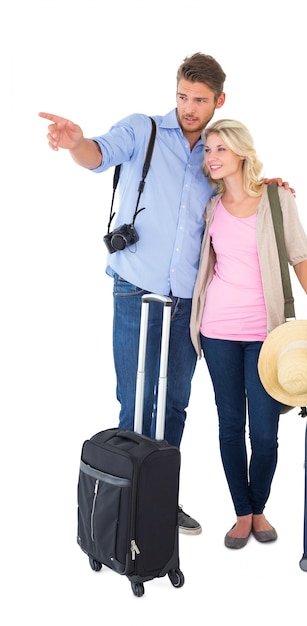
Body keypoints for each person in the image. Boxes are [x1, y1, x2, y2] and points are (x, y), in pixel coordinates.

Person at [39, 53, 291, 536]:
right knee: (135, 399)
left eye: (199, 100)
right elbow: (98, 153)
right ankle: (126, 497)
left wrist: (271, 188)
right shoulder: (143, 130)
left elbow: (243, 193)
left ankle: (160, 497)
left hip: (188, 304)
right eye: (182, 96)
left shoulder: (217, 151)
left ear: (219, 100)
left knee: (175, 401)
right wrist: (76, 143)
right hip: (134, 287)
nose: (188, 108)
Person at [190, 119, 307, 548]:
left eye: (220, 149)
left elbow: (299, 257)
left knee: (266, 432)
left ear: (241, 153)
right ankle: (242, 512)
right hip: (216, 330)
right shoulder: (211, 205)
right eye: (208, 149)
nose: (212, 157)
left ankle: (261, 505)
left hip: (267, 335)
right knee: (230, 425)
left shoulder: (276, 197)